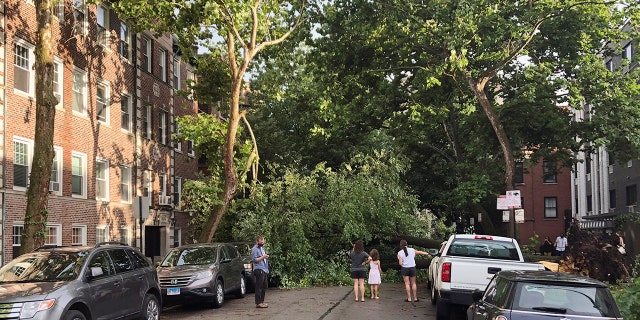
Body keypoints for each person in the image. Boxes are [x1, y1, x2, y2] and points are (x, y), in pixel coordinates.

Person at [251, 235, 270, 308]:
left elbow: (265, 260)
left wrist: (267, 269)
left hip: (264, 269)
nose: (262, 242)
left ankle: (262, 301)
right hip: (258, 269)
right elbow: (255, 260)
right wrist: (263, 257)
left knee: (264, 286)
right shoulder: (255, 249)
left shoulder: (262, 248)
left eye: (263, 240)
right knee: (259, 286)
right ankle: (258, 302)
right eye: (261, 240)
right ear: (257, 241)